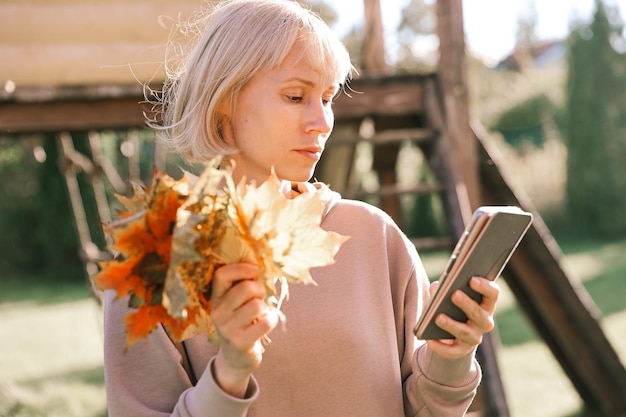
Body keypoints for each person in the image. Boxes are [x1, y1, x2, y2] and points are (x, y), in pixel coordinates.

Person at [102, 0, 501, 416]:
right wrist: (231, 374)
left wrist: (451, 357)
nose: (322, 120)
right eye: (296, 96)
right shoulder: (155, 260)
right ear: (224, 101)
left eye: (327, 97)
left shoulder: (375, 237)